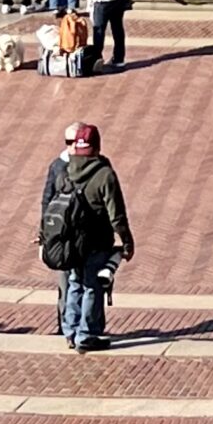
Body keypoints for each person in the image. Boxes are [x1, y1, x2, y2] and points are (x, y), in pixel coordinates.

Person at [40, 120, 133, 352]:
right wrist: (126, 241)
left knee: (74, 283)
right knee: (92, 286)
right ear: (97, 146)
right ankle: (87, 334)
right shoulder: (104, 175)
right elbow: (116, 214)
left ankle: (70, 331)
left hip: (71, 242)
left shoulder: (64, 170)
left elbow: (51, 204)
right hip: (96, 241)